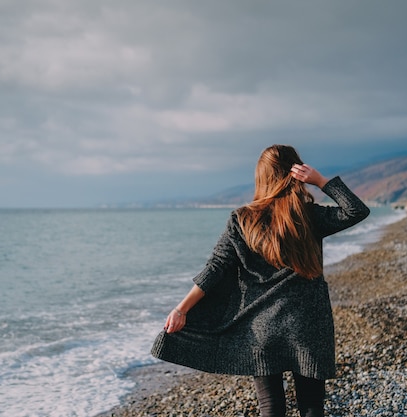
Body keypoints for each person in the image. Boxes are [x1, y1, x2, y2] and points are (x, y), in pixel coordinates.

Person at [151, 144, 370, 417]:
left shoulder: (243, 219)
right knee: (312, 405)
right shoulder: (309, 216)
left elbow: (216, 268)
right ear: (296, 173)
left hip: (262, 328)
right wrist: (322, 181)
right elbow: (356, 211)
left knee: (271, 406)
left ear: (261, 177)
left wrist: (181, 309)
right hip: (308, 323)